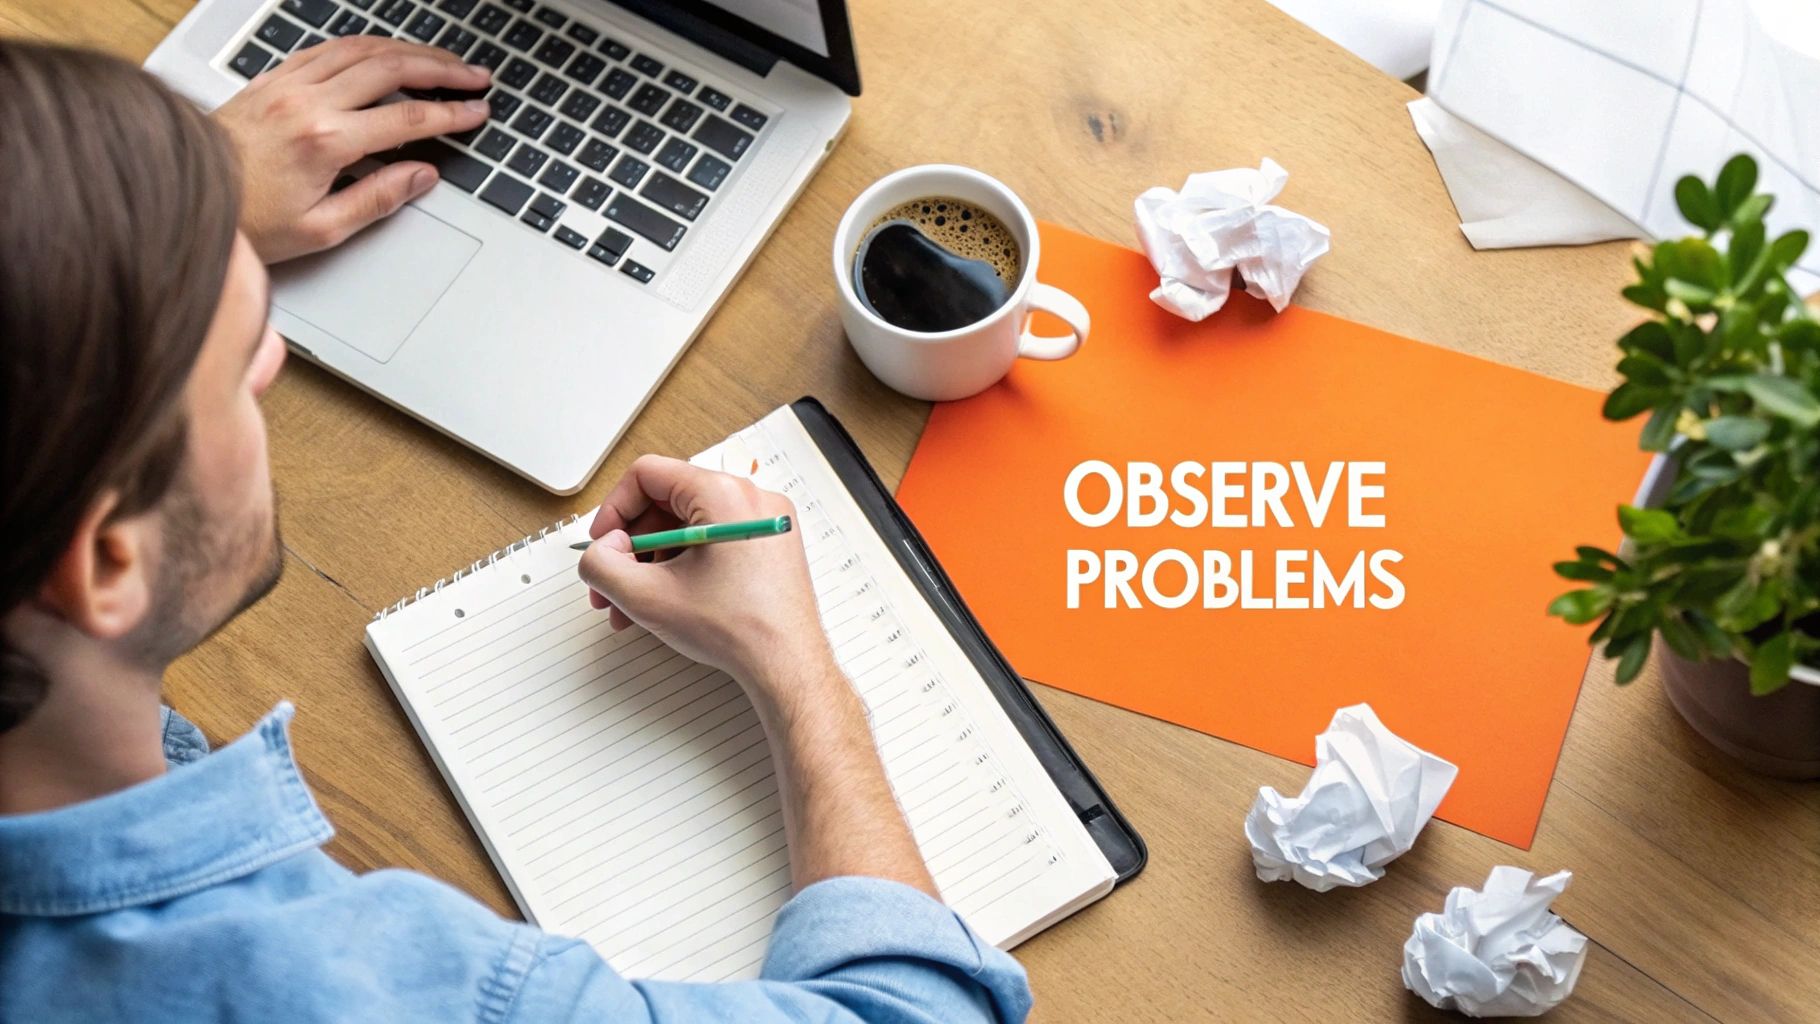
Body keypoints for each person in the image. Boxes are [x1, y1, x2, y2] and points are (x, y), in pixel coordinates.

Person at [0, 36, 1030, 1024]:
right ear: (105, 560)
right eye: (231, 365)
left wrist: (147, 220)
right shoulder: (340, 987)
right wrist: (801, 672)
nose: (270, 358)